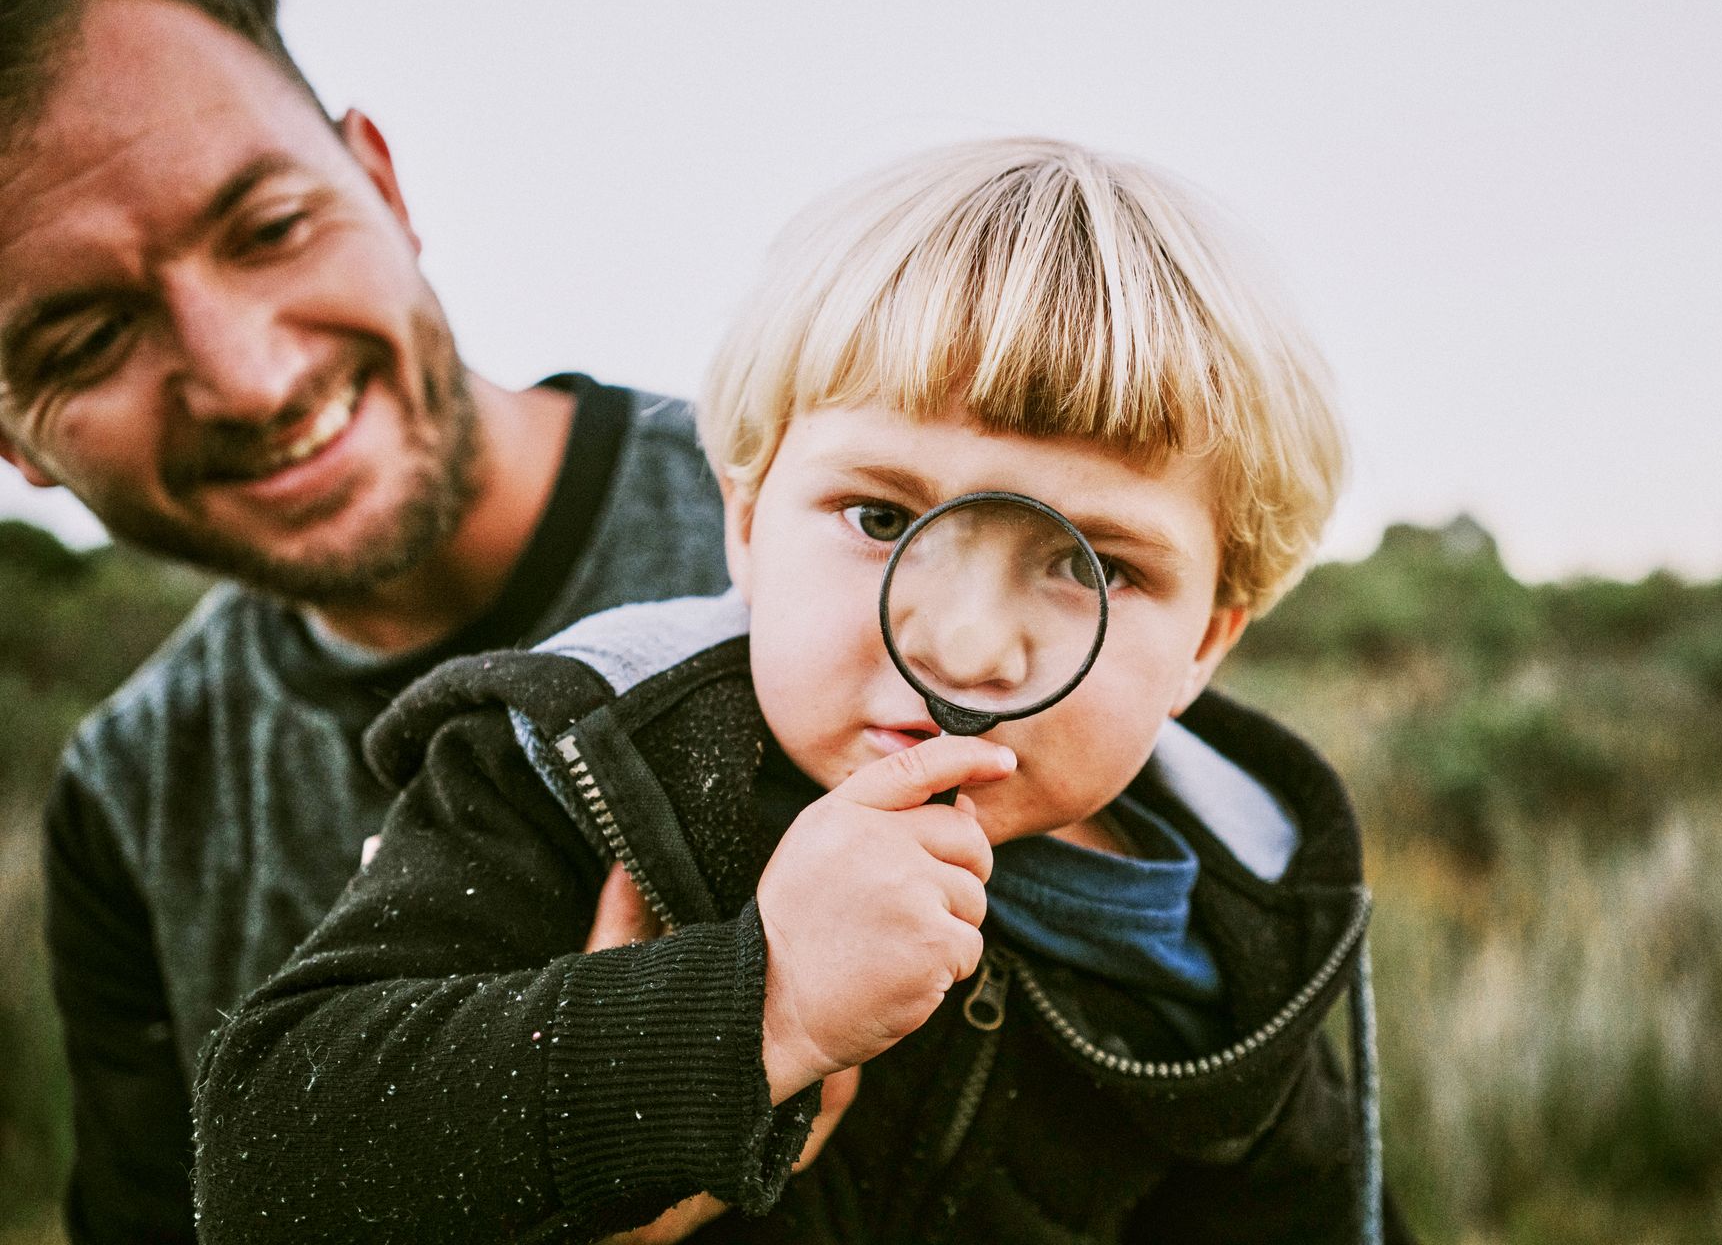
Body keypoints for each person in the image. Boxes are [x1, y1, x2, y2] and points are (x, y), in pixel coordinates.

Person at [195, 137, 1409, 1243]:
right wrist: (753, 1009)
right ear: (744, 518)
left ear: (1208, 640)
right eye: (881, 516)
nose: (970, 649)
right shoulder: (589, 760)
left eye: (1095, 566)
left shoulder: (1234, 917)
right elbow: (270, 1156)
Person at [0, 0, 731, 1240]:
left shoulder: (835, 548)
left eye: (270, 225)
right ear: (16, 441)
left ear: (383, 185)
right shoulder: (128, 801)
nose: (253, 376)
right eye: (86, 340)